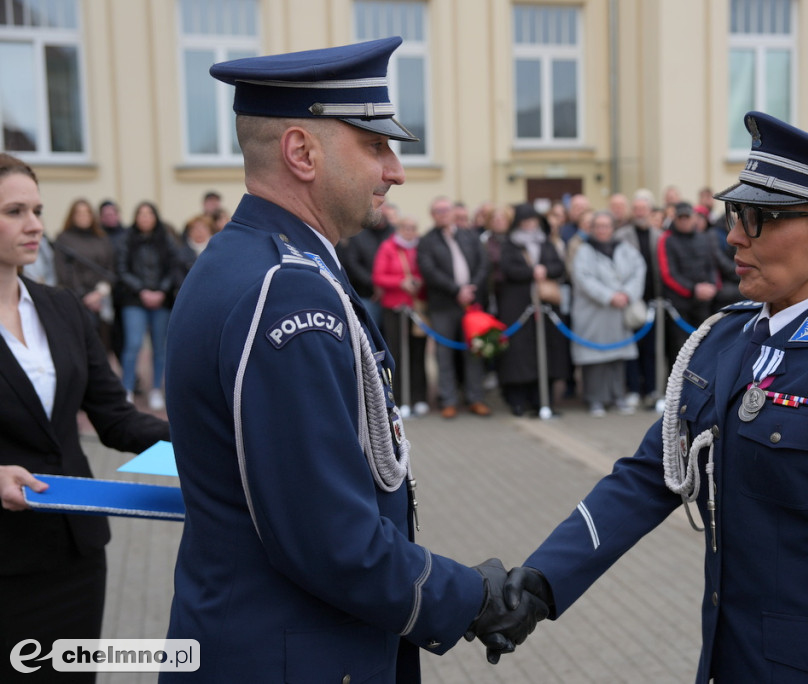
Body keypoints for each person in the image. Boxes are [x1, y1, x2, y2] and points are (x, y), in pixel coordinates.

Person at [161, 38, 546, 683]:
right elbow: (330, 539)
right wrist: (472, 598)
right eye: (375, 145)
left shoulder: (254, 261)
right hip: (290, 654)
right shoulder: (287, 290)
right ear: (301, 152)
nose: (394, 170)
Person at [503, 112, 808, 684]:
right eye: (736, 214)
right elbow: (648, 476)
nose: (734, 235)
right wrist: (542, 580)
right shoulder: (723, 339)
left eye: (760, 218)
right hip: (726, 661)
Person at [0, 153, 169, 683]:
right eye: (13, 211)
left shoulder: (62, 307)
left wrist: (210, 441)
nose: (34, 225)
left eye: (37, 209)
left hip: (76, 552)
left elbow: (116, 419)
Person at [418, 195, 492, 419]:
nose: (443, 214)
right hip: (443, 305)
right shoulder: (427, 241)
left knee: (474, 352)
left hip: (471, 304)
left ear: (452, 212)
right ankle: (448, 400)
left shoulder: (469, 236)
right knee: (444, 354)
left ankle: (475, 398)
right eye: (438, 211)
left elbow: (483, 263)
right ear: (433, 215)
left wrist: (471, 288)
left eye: (446, 210)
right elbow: (429, 271)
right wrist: (456, 290)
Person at [495, 203, 569, 416]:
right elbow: (508, 269)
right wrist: (531, 271)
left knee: (547, 354)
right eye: (525, 222)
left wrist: (545, 270)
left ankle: (543, 401)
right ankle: (518, 401)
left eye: (533, 221)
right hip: (517, 307)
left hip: (545, 308)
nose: (530, 225)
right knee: (519, 355)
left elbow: (559, 266)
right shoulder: (510, 244)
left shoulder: (546, 243)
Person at [569, 210, 646, 416]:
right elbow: (583, 279)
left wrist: (627, 294)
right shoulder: (584, 251)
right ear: (592, 229)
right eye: (598, 226)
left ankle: (617, 396)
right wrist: (609, 296)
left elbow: (639, 270)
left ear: (613, 228)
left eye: (606, 226)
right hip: (594, 313)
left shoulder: (625, 249)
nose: (603, 230)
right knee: (595, 360)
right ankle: (595, 399)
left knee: (617, 357)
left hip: (619, 312)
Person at [115, 201, 180, 410]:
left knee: (159, 348)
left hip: (161, 301)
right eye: (141, 214)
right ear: (135, 217)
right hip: (134, 300)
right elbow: (121, 269)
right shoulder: (127, 239)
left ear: (155, 217)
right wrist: (141, 290)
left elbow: (173, 268)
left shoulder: (165, 240)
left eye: (149, 214)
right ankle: (127, 389)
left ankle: (155, 390)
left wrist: (161, 290)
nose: (145, 218)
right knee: (133, 345)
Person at [372, 214, 429, 416]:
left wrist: (419, 281)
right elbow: (379, 276)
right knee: (398, 353)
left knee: (418, 352)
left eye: (413, 227)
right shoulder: (388, 247)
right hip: (395, 308)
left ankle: (419, 397)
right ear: (399, 229)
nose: (410, 231)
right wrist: (400, 282)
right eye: (406, 227)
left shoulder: (422, 247)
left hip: (418, 309)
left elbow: (428, 270)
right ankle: (401, 399)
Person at [614, 188, 663, 408]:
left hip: (654, 300)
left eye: (643, 208)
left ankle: (652, 389)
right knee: (631, 348)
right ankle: (633, 389)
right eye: (636, 209)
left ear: (650, 210)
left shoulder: (659, 235)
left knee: (652, 349)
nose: (639, 212)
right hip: (631, 301)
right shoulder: (621, 235)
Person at [658, 201, 725, 360]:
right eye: (680, 217)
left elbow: (712, 267)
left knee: (703, 349)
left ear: (693, 218)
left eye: (687, 217)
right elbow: (668, 275)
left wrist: (713, 287)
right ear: (675, 218)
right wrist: (693, 290)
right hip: (679, 306)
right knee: (680, 351)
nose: (684, 221)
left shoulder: (703, 238)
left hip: (703, 303)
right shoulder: (667, 240)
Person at [53, 199, 117, 350]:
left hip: (101, 300)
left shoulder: (101, 238)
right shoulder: (64, 239)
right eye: (79, 213)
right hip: (76, 299)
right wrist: (84, 297)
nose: (83, 216)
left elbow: (109, 268)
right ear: (72, 216)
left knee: (103, 345)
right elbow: (63, 271)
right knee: (81, 346)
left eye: (86, 212)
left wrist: (100, 293)